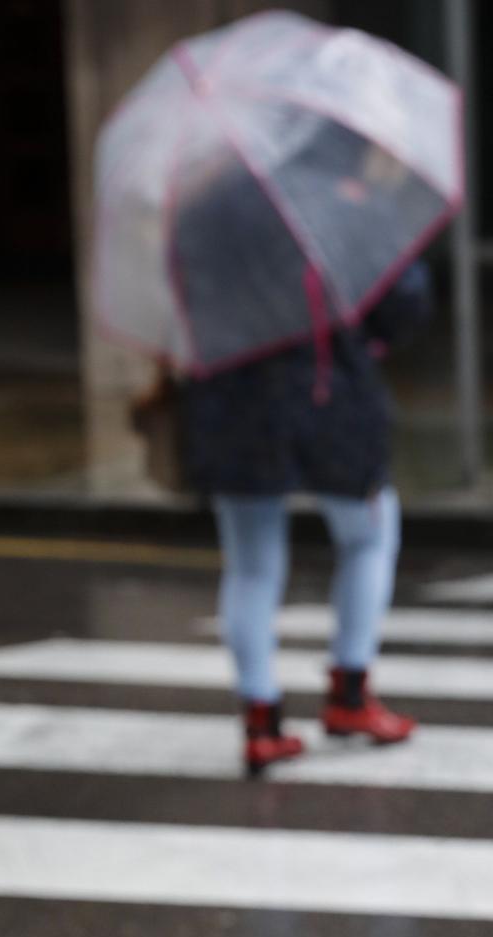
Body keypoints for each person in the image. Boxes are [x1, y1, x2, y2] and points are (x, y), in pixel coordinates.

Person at [179, 261, 432, 777]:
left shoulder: (209, 216)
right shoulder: (330, 213)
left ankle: (261, 721)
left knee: (251, 567)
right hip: (330, 399)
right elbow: (401, 309)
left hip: (233, 407)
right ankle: (351, 691)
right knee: (370, 536)